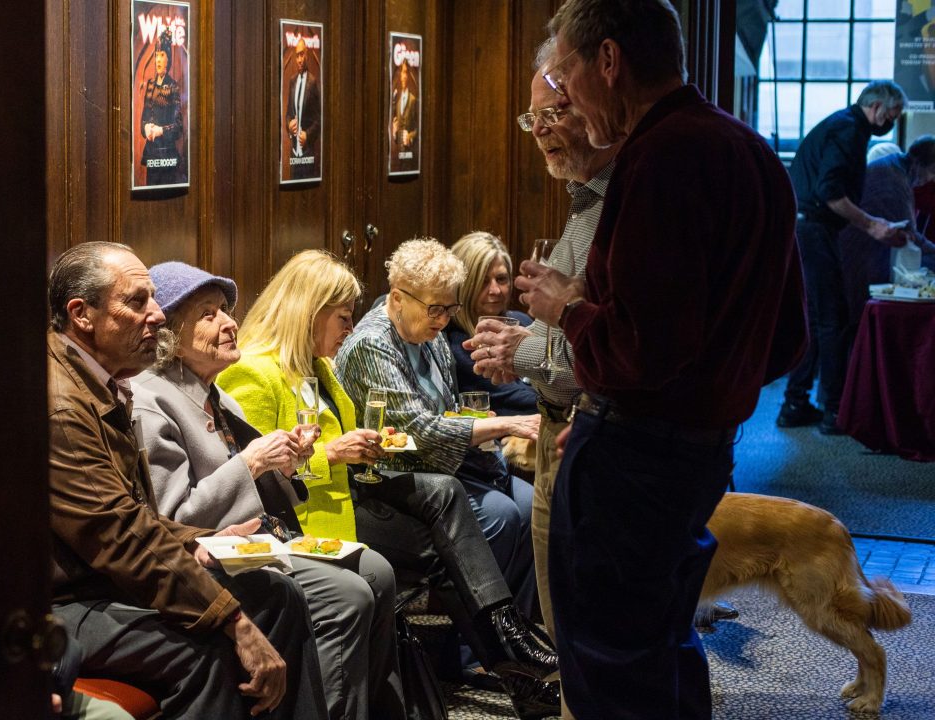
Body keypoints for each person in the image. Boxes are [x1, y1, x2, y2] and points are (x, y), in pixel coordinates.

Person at [488, 1, 806, 716]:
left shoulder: (658, 158)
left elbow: (637, 349)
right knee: (663, 653)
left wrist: (570, 308)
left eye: (566, 74)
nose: (561, 96)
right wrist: (651, 411)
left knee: (609, 677)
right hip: (701, 454)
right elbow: (785, 341)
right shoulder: (751, 151)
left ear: (609, 60)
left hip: (634, 469)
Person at [46, 241, 327, 720]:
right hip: (70, 603)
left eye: (153, 298)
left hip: (107, 582)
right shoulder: (63, 405)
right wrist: (231, 619)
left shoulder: (103, 381)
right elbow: (119, 537)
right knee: (212, 650)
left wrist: (201, 542)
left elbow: (134, 519)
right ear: (82, 314)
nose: (157, 315)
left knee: (277, 594)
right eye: (138, 301)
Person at [131, 261, 405, 720]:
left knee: (376, 571)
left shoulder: (216, 392)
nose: (230, 323)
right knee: (348, 594)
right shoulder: (152, 401)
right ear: (170, 332)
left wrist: (287, 462)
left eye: (226, 310)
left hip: (257, 538)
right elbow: (176, 514)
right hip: (213, 553)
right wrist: (253, 460)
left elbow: (260, 482)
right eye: (209, 313)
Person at [329, 242, 559, 717]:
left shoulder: (428, 331)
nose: (443, 321)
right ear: (397, 298)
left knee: (525, 505)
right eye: (435, 309)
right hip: (392, 480)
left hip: (438, 473)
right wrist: (503, 424)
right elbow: (417, 432)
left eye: (449, 308)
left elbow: (443, 410)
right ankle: (502, 648)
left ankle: (514, 657)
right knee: (492, 517)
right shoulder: (373, 343)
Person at [784, 80, 908, 433]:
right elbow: (831, 192)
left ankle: (796, 402)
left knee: (820, 316)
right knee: (832, 319)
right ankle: (835, 411)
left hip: (807, 227)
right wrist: (872, 227)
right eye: (894, 115)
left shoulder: (843, 125)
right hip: (813, 228)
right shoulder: (850, 130)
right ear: (878, 108)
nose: (892, 123)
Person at [840, 135, 935, 329]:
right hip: (857, 251)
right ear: (920, 163)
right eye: (932, 171)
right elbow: (909, 233)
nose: (931, 179)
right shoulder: (893, 177)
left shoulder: (895, 168)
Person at [445, 231, 538, 417]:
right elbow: (521, 402)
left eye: (501, 279)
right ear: (462, 285)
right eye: (483, 281)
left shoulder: (525, 321)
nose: (495, 290)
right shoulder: (456, 342)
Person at [139, 38, 186, 187]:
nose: (158, 59)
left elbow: (178, 127)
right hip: (152, 154)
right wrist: (146, 128)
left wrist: (160, 131)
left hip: (167, 155)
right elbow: (143, 120)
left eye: (162, 55)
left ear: (168, 59)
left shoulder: (173, 87)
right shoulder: (150, 85)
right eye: (157, 55)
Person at [285, 38, 321, 180]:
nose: (299, 59)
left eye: (302, 55)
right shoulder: (292, 81)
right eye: (297, 56)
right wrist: (289, 125)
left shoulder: (312, 83)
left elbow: (318, 120)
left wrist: (307, 135)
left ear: (306, 55)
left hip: (307, 154)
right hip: (294, 154)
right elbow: (288, 113)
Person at [391, 61, 419, 156]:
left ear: (408, 76)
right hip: (399, 157)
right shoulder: (397, 103)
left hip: (411, 155)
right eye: (401, 73)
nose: (403, 76)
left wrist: (410, 137)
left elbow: (419, 128)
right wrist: (394, 133)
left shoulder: (413, 100)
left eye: (405, 72)